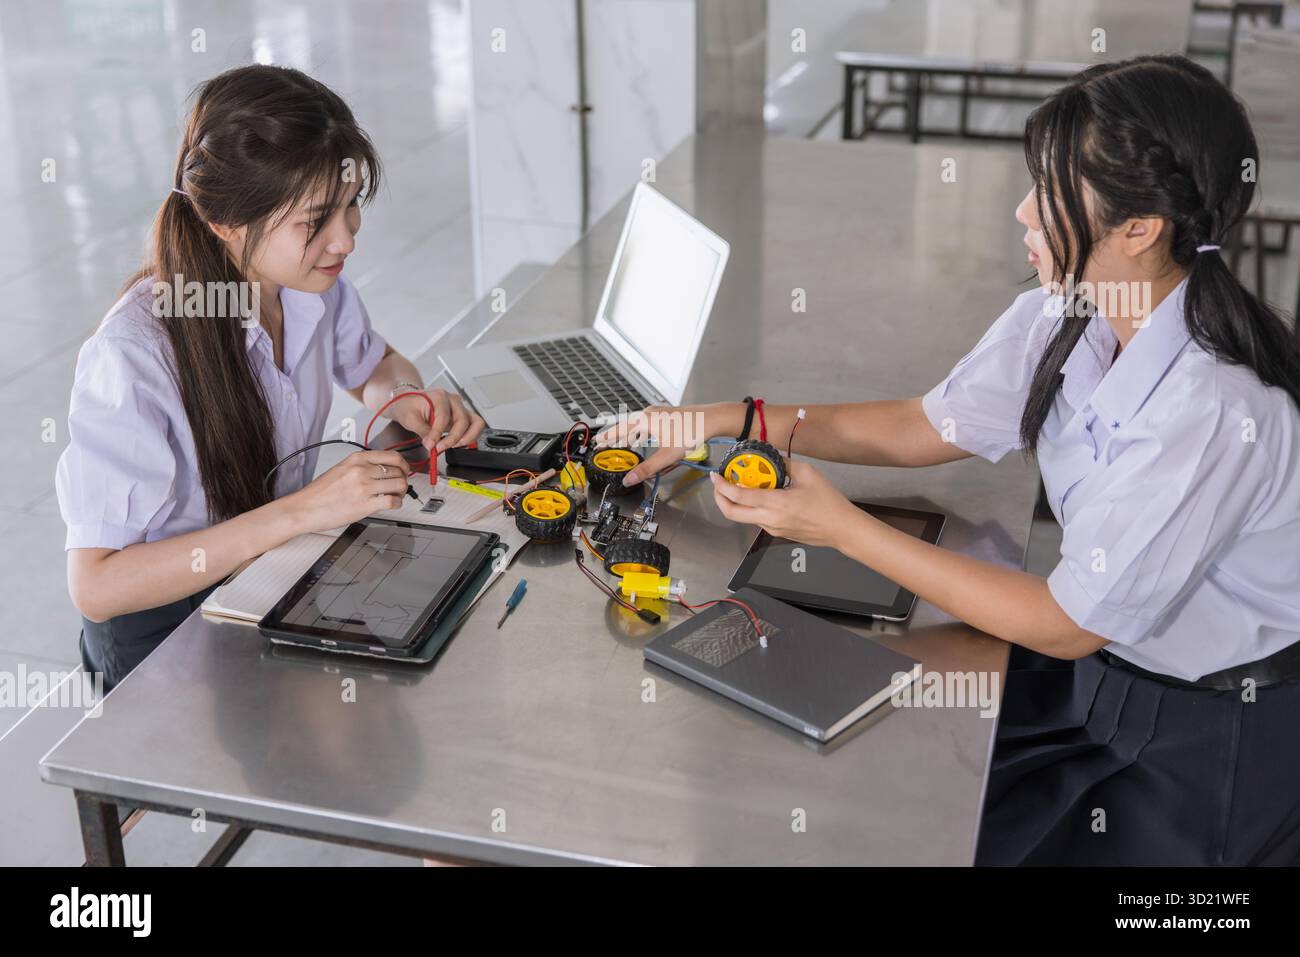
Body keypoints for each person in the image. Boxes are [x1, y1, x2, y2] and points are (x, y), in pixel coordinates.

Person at [600, 55, 1300, 865]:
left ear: (1140, 227)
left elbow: (1065, 621)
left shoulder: (1212, 412)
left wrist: (839, 526)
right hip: (1107, 681)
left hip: (1210, 745)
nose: (1022, 210)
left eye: (1050, 191)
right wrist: (733, 417)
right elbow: (918, 427)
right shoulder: (1070, 314)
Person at [56, 65, 484, 692]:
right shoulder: (135, 354)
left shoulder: (308, 286)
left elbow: (375, 367)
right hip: (161, 629)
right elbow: (96, 586)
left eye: (352, 206)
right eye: (316, 219)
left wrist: (408, 400)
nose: (346, 239)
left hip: (264, 573)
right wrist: (305, 510)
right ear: (227, 222)